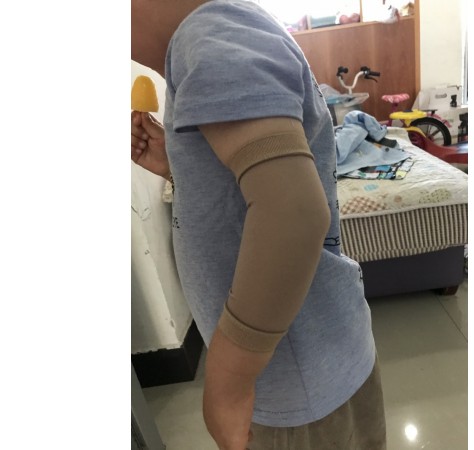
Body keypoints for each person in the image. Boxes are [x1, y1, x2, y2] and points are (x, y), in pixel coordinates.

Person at [131, 0, 387, 448]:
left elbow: (292, 214)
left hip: (294, 380)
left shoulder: (210, 36)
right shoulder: (217, 37)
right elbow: (248, 200)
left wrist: (228, 384)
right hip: (313, 363)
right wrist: (179, 169)